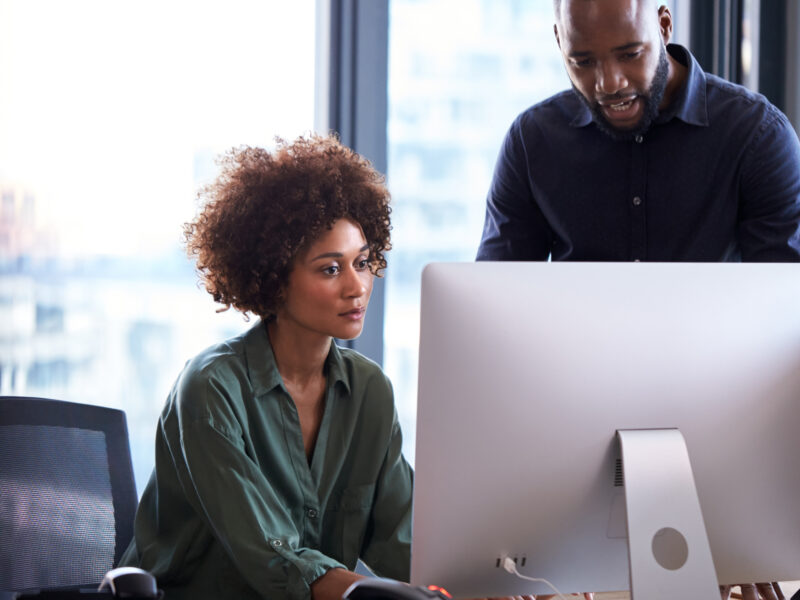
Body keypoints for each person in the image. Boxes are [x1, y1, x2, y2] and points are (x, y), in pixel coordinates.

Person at [119, 135, 412, 600]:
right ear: (274, 278)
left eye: (362, 262)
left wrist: (488, 585)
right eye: (331, 269)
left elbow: (405, 545)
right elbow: (276, 558)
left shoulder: (370, 391)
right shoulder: (212, 389)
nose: (357, 286)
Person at [476, 0, 800, 263]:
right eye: (583, 62)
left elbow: (783, 306)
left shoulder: (757, 136)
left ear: (664, 26)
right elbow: (491, 304)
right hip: (574, 345)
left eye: (630, 54)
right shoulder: (532, 142)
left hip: (718, 345)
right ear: (560, 42)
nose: (609, 83)